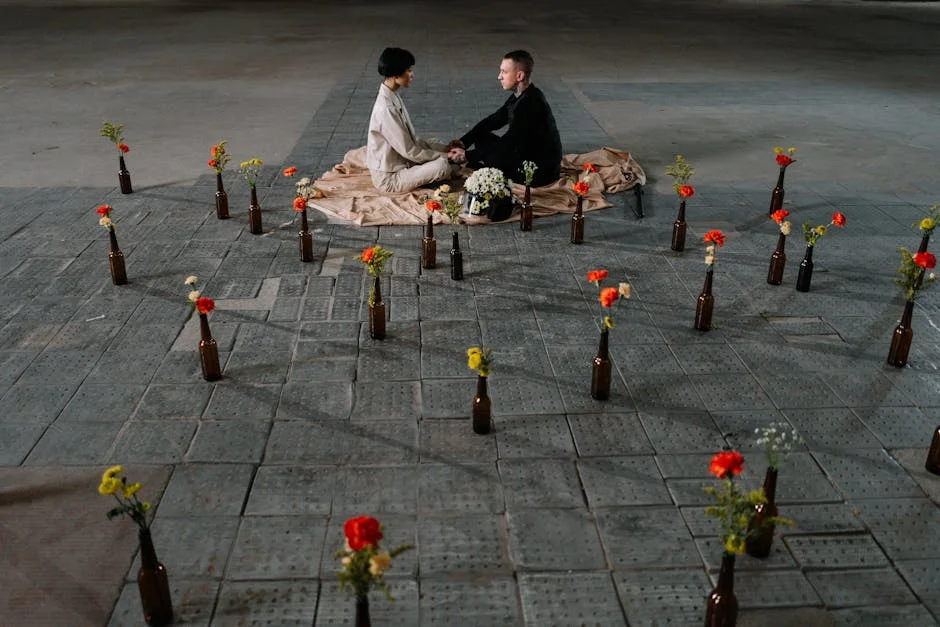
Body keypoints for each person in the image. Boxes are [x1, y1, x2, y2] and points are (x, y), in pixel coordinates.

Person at [366, 47, 466, 193]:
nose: (412, 74)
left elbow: (413, 141)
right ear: (395, 74)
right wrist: (447, 156)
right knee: (442, 166)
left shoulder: (392, 95)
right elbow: (410, 151)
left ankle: (445, 159)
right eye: (408, 70)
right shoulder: (386, 108)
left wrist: (446, 148)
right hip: (390, 179)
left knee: (437, 144)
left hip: (403, 164)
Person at [456, 50, 562, 187]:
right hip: (522, 152)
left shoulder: (531, 104)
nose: (499, 77)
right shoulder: (520, 95)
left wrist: (467, 155)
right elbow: (492, 121)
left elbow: (509, 143)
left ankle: (484, 168)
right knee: (481, 136)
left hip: (538, 171)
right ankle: (482, 165)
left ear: (520, 76)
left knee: (492, 155)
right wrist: (463, 142)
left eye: (504, 72)